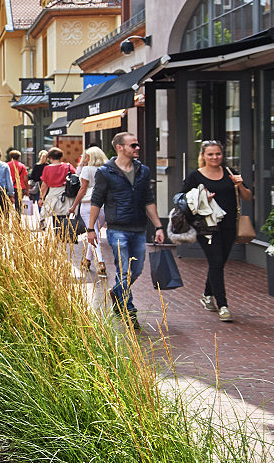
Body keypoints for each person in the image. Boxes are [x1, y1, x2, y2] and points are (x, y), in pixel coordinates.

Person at [87, 132, 166, 330]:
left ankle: (115, 292)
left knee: (136, 270)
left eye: (138, 145)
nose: (137, 148)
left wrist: (158, 226)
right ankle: (130, 312)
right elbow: (97, 200)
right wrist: (91, 228)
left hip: (139, 228)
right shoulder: (105, 172)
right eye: (133, 145)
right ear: (119, 147)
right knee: (124, 270)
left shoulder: (143, 170)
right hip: (117, 229)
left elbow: (148, 199)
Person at [180, 140, 252, 322]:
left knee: (218, 263)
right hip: (206, 227)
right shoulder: (195, 176)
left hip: (228, 226)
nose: (214, 157)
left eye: (217, 154)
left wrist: (240, 185)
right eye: (210, 154)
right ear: (203, 156)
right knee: (217, 261)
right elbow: (183, 200)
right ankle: (223, 306)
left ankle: (206, 295)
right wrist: (202, 197)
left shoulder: (229, 173)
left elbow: (248, 197)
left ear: (222, 155)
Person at [70, 146, 109, 276]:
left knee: (93, 232)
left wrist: (74, 205)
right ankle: (87, 261)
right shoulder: (107, 169)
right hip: (103, 204)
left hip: (88, 204)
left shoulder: (87, 169)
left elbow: (83, 189)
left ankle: (100, 262)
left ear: (90, 157)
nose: (85, 159)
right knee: (95, 232)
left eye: (87, 156)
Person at [38, 147, 75, 224]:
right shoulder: (68, 166)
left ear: (50, 157)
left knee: (55, 217)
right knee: (66, 216)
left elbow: (44, 185)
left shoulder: (47, 168)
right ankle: (65, 233)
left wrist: (41, 198)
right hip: (66, 193)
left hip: (53, 193)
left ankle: (57, 234)